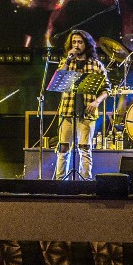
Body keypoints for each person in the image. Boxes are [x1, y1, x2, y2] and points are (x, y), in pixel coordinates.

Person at [54, 29, 110, 180]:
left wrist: (96, 101)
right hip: (67, 111)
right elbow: (58, 80)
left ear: (86, 44)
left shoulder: (96, 65)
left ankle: (85, 182)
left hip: (87, 112)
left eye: (80, 42)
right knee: (63, 148)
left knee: (84, 148)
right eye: (74, 42)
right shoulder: (66, 63)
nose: (76, 45)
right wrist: (67, 60)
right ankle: (60, 182)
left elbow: (107, 89)